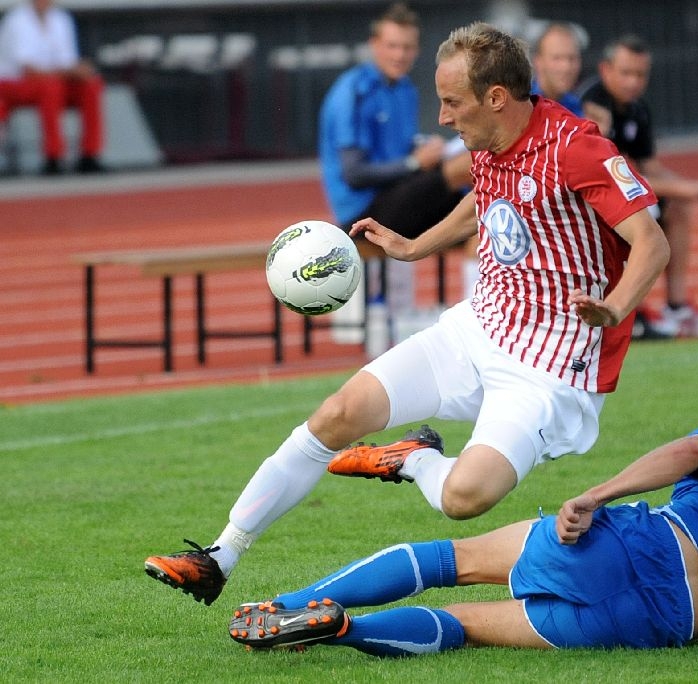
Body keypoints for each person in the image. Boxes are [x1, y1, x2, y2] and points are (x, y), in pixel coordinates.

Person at [144, 22, 669, 607]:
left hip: (548, 367)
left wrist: (616, 305)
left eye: (451, 102)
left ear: (497, 97)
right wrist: (416, 245)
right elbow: (487, 199)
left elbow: (652, 243)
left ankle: (415, 458)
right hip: (477, 330)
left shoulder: (577, 147)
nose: (442, 118)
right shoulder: (490, 140)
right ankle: (220, 554)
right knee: (338, 413)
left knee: (463, 497)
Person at [225, 362, 698, 655]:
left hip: (634, 546)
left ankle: (292, 601)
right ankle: (340, 631)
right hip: (660, 624)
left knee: (451, 560)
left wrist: (599, 493)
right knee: (464, 627)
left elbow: (685, 453)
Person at [317, 2, 468, 316]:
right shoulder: (353, 91)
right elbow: (354, 173)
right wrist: (416, 163)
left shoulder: (405, 89)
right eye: (392, 46)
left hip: (401, 198)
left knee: (485, 214)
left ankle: (485, 321)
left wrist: (423, 149)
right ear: (374, 45)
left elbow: (400, 149)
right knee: (468, 166)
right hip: (362, 213)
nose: (400, 55)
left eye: (407, 47)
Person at [581, 35, 698, 340]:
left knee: (676, 207)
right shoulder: (592, 107)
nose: (633, 82)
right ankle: (634, 312)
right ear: (606, 69)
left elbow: (649, 167)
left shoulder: (638, 109)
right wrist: (689, 189)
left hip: (620, 192)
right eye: (626, 73)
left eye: (640, 74)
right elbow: (617, 175)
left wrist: (685, 186)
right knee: (642, 212)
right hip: (590, 202)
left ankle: (676, 307)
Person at [461, 21, 586, 299]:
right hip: (500, 189)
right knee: (491, 210)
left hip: (544, 195)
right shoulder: (519, 99)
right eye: (558, 58)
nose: (566, 66)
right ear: (538, 61)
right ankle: (474, 301)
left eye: (572, 58)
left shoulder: (575, 107)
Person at [0, 0, 104, 175]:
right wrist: (68, 72)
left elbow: (67, 61)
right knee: (51, 88)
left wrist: (80, 70)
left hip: (53, 82)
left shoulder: (61, 19)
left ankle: (89, 155)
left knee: (91, 85)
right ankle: (53, 156)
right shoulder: (16, 20)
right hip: (14, 84)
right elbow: (29, 71)